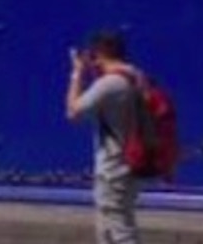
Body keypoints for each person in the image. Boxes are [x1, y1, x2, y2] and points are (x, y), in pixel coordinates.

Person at [65, 29, 144, 244]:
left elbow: (73, 111)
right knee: (110, 229)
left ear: (99, 53)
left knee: (120, 232)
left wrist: (77, 73)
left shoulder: (110, 83)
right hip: (130, 163)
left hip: (114, 168)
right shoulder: (135, 76)